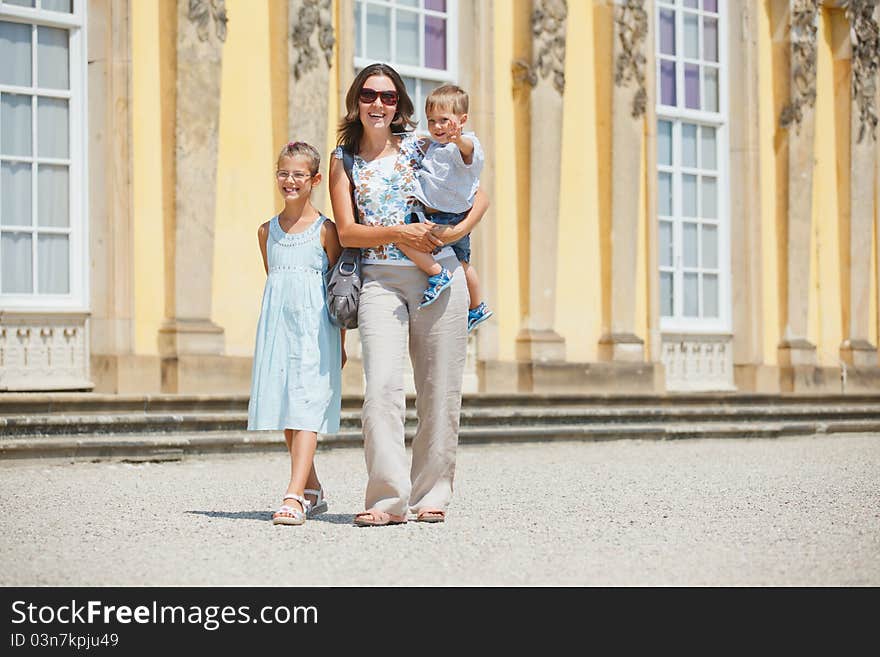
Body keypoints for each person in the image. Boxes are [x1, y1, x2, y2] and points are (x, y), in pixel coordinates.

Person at [329, 63, 489, 526]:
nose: (378, 104)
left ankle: (433, 493)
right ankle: (387, 499)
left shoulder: (422, 143)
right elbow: (347, 231)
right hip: (380, 278)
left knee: (440, 389)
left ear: (399, 103)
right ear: (355, 102)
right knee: (380, 389)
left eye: (389, 96)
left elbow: (479, 192)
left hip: (441, 274)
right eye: (368, 95)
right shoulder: (344, 159)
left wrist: (456, 231)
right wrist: (401, 232)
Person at [247, 140, 346, 526]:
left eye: (299, 175)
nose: (290, 181)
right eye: (283, 173)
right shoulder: (265, 232)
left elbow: (338, 289)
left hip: (315, 330)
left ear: (315, 179)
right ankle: (313, 487)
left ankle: (294, 496)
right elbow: (275, 282)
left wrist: (340, 341)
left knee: (305, 407)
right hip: (278, 329)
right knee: (287, 408)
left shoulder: (326, 230)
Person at [395, 84, 494, 332]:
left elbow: (468, 151)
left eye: (444, 120)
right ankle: (478, 305)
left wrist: (458, 137)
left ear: (462, 120)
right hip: (442, 212)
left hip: (450, 215)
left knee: (402, 237)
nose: (438, 127)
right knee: (462, 262)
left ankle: (438, 273)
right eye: (432, 121)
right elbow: (420, 140)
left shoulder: (464, 144)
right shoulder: (434, 145)